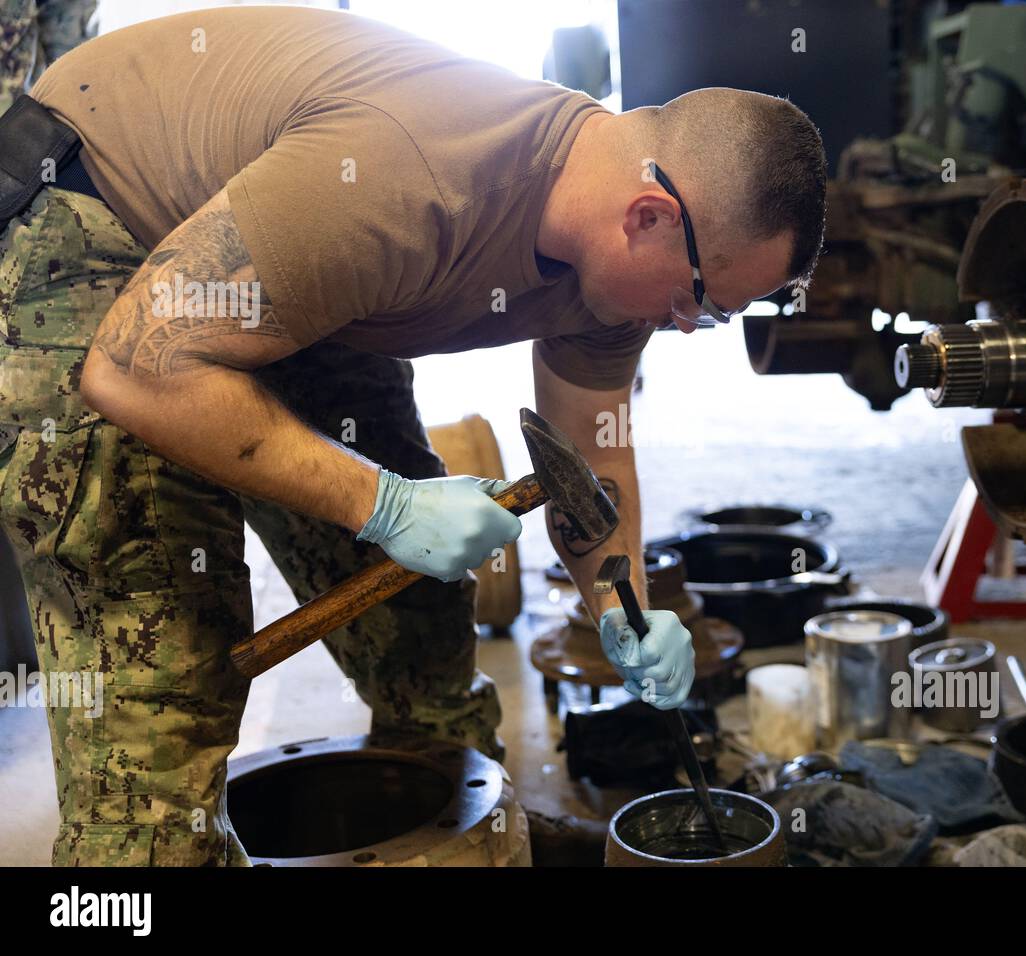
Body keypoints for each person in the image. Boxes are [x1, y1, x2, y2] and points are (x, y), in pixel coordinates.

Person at [0, 5, 827, 865]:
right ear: (649, 214)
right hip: (99, 227)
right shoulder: (411, 177)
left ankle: (466, 839)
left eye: (718, 313)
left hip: (293, 270)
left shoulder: (619, 274)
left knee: (418, 620)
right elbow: (135, 369)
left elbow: (589, 458)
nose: (690, 324)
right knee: (158, 683)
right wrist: (385, 502)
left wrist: (626, 611)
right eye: (703, 298)